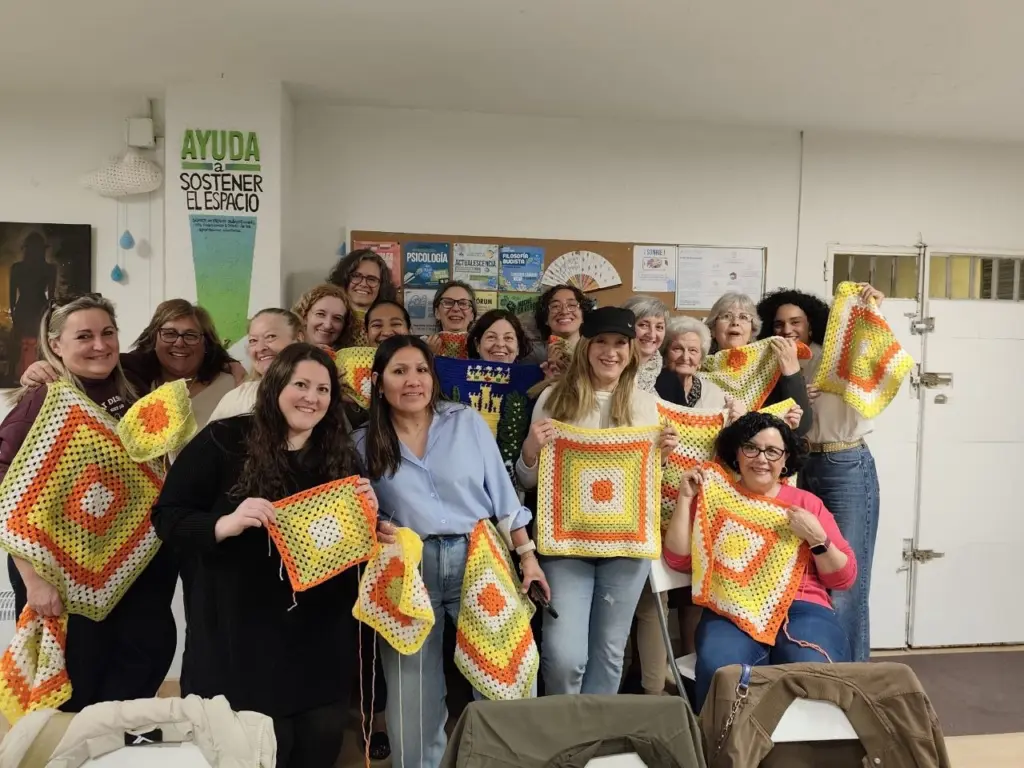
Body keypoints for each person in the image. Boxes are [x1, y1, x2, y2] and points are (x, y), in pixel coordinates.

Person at [151, 343, 377, 768]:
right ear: (275, 386)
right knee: (248, 752)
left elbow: (348, 543)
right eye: (301, 385)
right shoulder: (223, 440)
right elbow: (167, 517)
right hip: (237, 640)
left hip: (319, 640)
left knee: (316, 746)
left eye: (323, 389)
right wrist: (225, 523)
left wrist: (373, 523)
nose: (312, 398)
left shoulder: (340, 453)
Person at [353, 335, 549, 768]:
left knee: (504, 678)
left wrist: (528, 558)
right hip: (408, 571)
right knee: (411, 696)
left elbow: (503, 497)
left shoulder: (465, 422)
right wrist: (376, 526)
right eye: (399, 371)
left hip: (478, 560)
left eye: (421, 370)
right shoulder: (362, 442)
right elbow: (361, 514)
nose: (413, 381)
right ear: (378, 382)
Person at [0, 293, 176, 710]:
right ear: (55, 344)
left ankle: (113, 738)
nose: (100, 345)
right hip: (59, 569)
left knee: (144, 659)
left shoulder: (134, 382)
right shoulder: (41, 401)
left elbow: (194, 351)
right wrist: (34, 581)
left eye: (108, 333)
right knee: (77, 676)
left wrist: (234, 366)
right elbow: (6, 498)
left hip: (137, 559)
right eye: (84, 336)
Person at [517, 307, 677, 696]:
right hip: (565, 545)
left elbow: (645, 483)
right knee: (565, 655)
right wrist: (530, 451)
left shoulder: (646, 405)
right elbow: (528, 481)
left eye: (620, 343)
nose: (611, 352)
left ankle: (598, 726)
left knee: (608, 652)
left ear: (631, 349)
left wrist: (663, 457)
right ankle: (563, 722)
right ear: (586, 347)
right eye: (601, 342)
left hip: (626, 547)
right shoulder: (554, 399)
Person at [663, 411, 856, 711]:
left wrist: (817, 538)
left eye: (772, 451)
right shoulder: (716, 499)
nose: (761, 459)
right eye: (751, 448)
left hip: (802, 609)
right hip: (731, 610)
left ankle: (805, 742)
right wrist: (686, 498)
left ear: (785, 459)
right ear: (737, 454)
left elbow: (843, 578)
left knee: (813, 669)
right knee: (721, 670)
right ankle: (727, 739)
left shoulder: (806, 503)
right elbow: (678, 559)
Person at [756, 284, 884, 664]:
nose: (787, 330)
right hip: (802, 467)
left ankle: (852, 676)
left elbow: (871, 346)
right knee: (812, 574)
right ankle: (824, 669)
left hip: (845, 463)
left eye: (795, 322)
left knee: (846, 578)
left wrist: (873, 307)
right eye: (779, 324)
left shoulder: (838, 354)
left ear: (812, 323)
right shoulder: (777, 362)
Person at [20, 299, 246, 431]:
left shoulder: (232, 385)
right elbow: (90, 361)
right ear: (153, 338)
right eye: (169, 333)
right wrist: (43, 366)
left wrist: (228, 361)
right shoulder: (133, 377)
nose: (179, 343)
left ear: (205, 342)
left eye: (191, 335)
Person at [703, 292, 812, 435]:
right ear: (712, 329)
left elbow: (801, 426)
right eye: (726, 316)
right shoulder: (696, 367)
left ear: (752, 331)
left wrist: (792, 372)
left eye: (743, 317)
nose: (735, 322)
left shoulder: (771, 366)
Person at [208, 308, 304, 422]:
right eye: (253, 340)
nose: (260, 348)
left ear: (298, 339)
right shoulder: (236, 399)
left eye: (270, 336)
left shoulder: (318, 394)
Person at [8, 231, 57, 380]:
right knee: (37, 342)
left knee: (20, 341)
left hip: (25, 307)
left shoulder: (17, 268)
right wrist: (50, 313)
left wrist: (14, 312)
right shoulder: (49, 269)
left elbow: (12, 294)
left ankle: (13, 373)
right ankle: (36, 374)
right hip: (39, 307)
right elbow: (51, 297)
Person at [327, 249, 398, 346]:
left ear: (381, 286)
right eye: (356, 276)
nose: (363, 284)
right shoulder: (326, 319)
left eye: (372, 279)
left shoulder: (394, 323)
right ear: (344, 278)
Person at [524, 284, 591, 372]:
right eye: (555, 306)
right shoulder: (532, 357)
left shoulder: (595, 350)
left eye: (571, 305)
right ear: (545, 318)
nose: (564, 311)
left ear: (583, 315)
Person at [621, 296, 667, 394]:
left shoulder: (671, 380)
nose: (652, 334)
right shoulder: (610, 369)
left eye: (659, 327)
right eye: (644, 325)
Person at [292, 283, 350, 350]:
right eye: (320, 314)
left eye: (337, 318)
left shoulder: (351, 355)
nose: (327, 325)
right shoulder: (286, 351)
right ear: (304, 316)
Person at [426, 280, 477, 356]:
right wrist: (427, 355)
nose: (456, 308)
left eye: (463, 303)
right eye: (448, 302)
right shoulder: (422, 349)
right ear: (437, 313)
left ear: (472, 314)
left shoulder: (483, 348)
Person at [467, 308, 532, 363]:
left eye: (508, 338)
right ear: (477, 345)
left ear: (518, 347)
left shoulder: (532, 374)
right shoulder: (461, 373)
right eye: (491, 337)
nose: (500, 344)